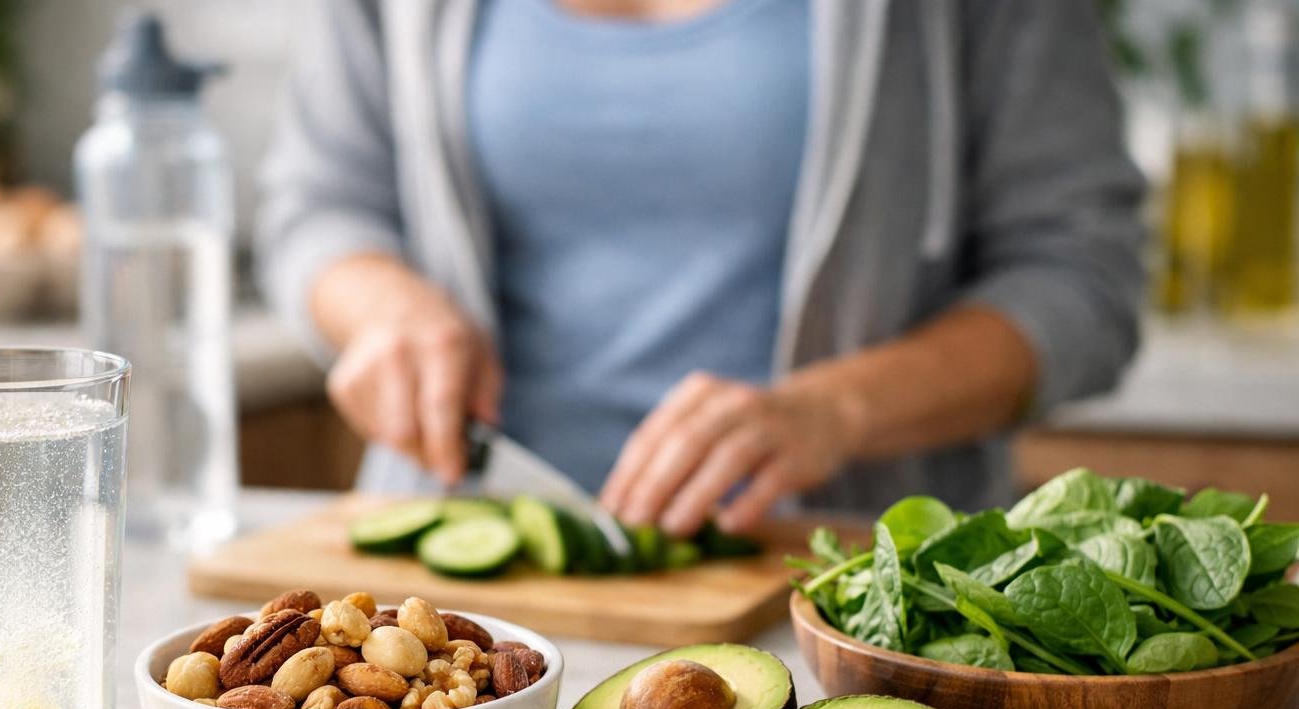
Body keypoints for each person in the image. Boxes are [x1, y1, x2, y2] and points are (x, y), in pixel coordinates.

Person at [258, 0, 1144, 534]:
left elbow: (1080, 274)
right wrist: (384, 307)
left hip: (828, 596)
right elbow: (316, 205)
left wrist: (835, 409)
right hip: (460, 584)